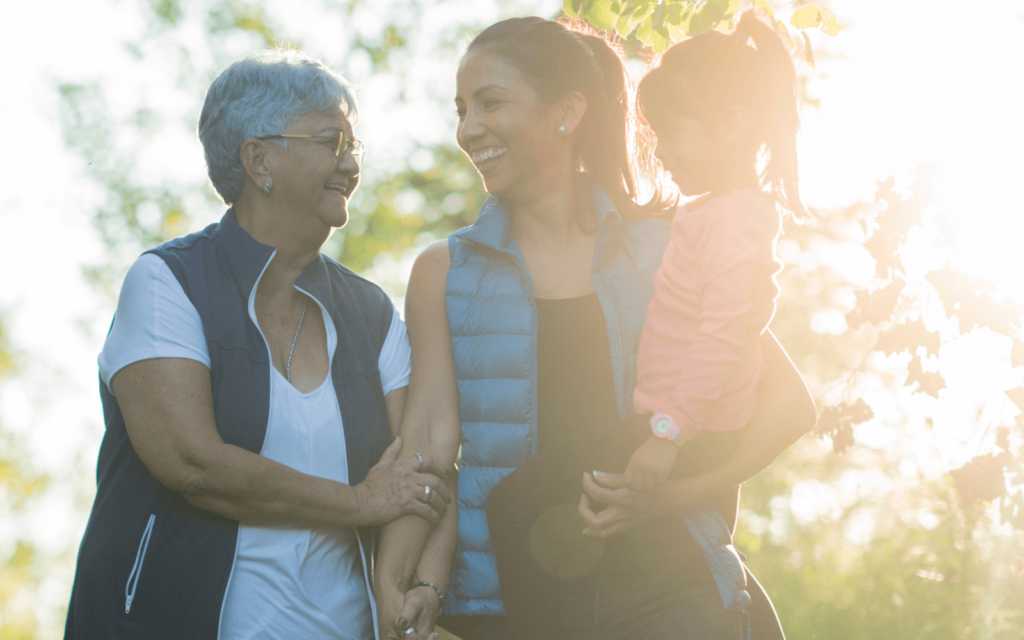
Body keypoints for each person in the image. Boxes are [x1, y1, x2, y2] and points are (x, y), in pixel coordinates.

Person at [380, 15, 817, 640]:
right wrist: (407, 580)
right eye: (461, 110)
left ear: (567, 113)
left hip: (668, 595)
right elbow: (427, 445)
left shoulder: (665, 248)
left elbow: (787, 407)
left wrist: (675, 496)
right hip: (511, 613)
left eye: (491, 103)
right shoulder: (443, 272)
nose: (468, 129)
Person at [63, 49, 453, 640]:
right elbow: (193, 463)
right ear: (260, 159)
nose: (350, 163)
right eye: (331, 140)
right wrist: (358, 503)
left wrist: (420, 583)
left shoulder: (369, 313)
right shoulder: (168, 282)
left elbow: (423, 463)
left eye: (355, 147)